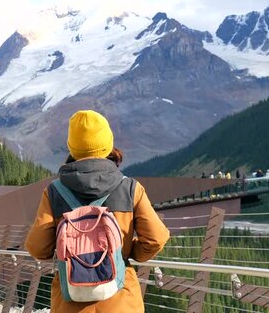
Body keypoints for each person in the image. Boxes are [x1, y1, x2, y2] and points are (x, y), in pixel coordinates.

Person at [25, 110, 169, 313]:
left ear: (72, 147)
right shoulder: (130, 188)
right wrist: (122, 253)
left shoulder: (54, 192)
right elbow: (156, 238)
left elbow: (38, 248)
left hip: (70, 303)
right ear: (108, 144)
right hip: (121, 301)